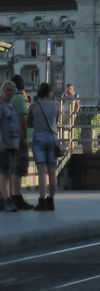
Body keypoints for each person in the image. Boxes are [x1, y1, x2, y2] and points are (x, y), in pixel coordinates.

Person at [27, 83, 60, 211]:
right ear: (50, 93)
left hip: (38, 139)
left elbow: (29, 123)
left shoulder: (34, 106)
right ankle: (51, 200)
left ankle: (42, 202)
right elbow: (55, 121)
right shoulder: (56, 105)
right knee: (52, 172)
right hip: (53, 140)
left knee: (42, 172)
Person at [10, 75, 34, 210]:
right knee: (19, 167)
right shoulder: (19, 98)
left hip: (10, 137)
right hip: (19, 138)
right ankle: (17, 196)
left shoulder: (8, 99)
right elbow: (23, 119)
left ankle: (9, 196)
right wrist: (25, 138)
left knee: (10, 168)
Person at [0, 82, 22, 212]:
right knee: (5, 174)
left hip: (13, 143)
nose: (9, 93)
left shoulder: (10, 106)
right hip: (5, 144)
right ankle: (8, 201)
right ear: (3, 90)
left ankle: (2, 200)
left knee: (7, 172)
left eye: (12, 91)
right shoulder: (1, 105)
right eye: (7, 90)